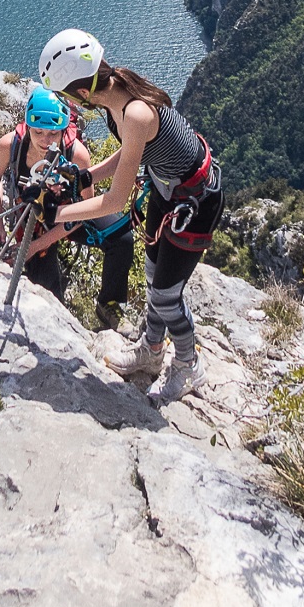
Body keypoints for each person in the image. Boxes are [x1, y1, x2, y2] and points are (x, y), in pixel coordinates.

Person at [40, 27, 223, 405]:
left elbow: (115, 203)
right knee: (155, 278)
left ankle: (189, 364)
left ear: (81, 92)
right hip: (167, 190)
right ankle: (152, 351)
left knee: (168, 296)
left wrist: (59, 212)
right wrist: (88, 175)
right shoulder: (117, 93)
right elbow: (128, 155)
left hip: (195, 205)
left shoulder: (135, 112)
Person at [0, 87, 134, 318]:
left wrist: (36, 247)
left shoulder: (76, 154)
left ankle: (109, 304)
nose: (45, 140)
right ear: (28, 128)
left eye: (53, 134)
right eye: (38, 132)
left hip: (69, 216)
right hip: (32, 218)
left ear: (63, 130)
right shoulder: (9, 146)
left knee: (121, 237)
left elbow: (86, 210)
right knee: (47, 294)